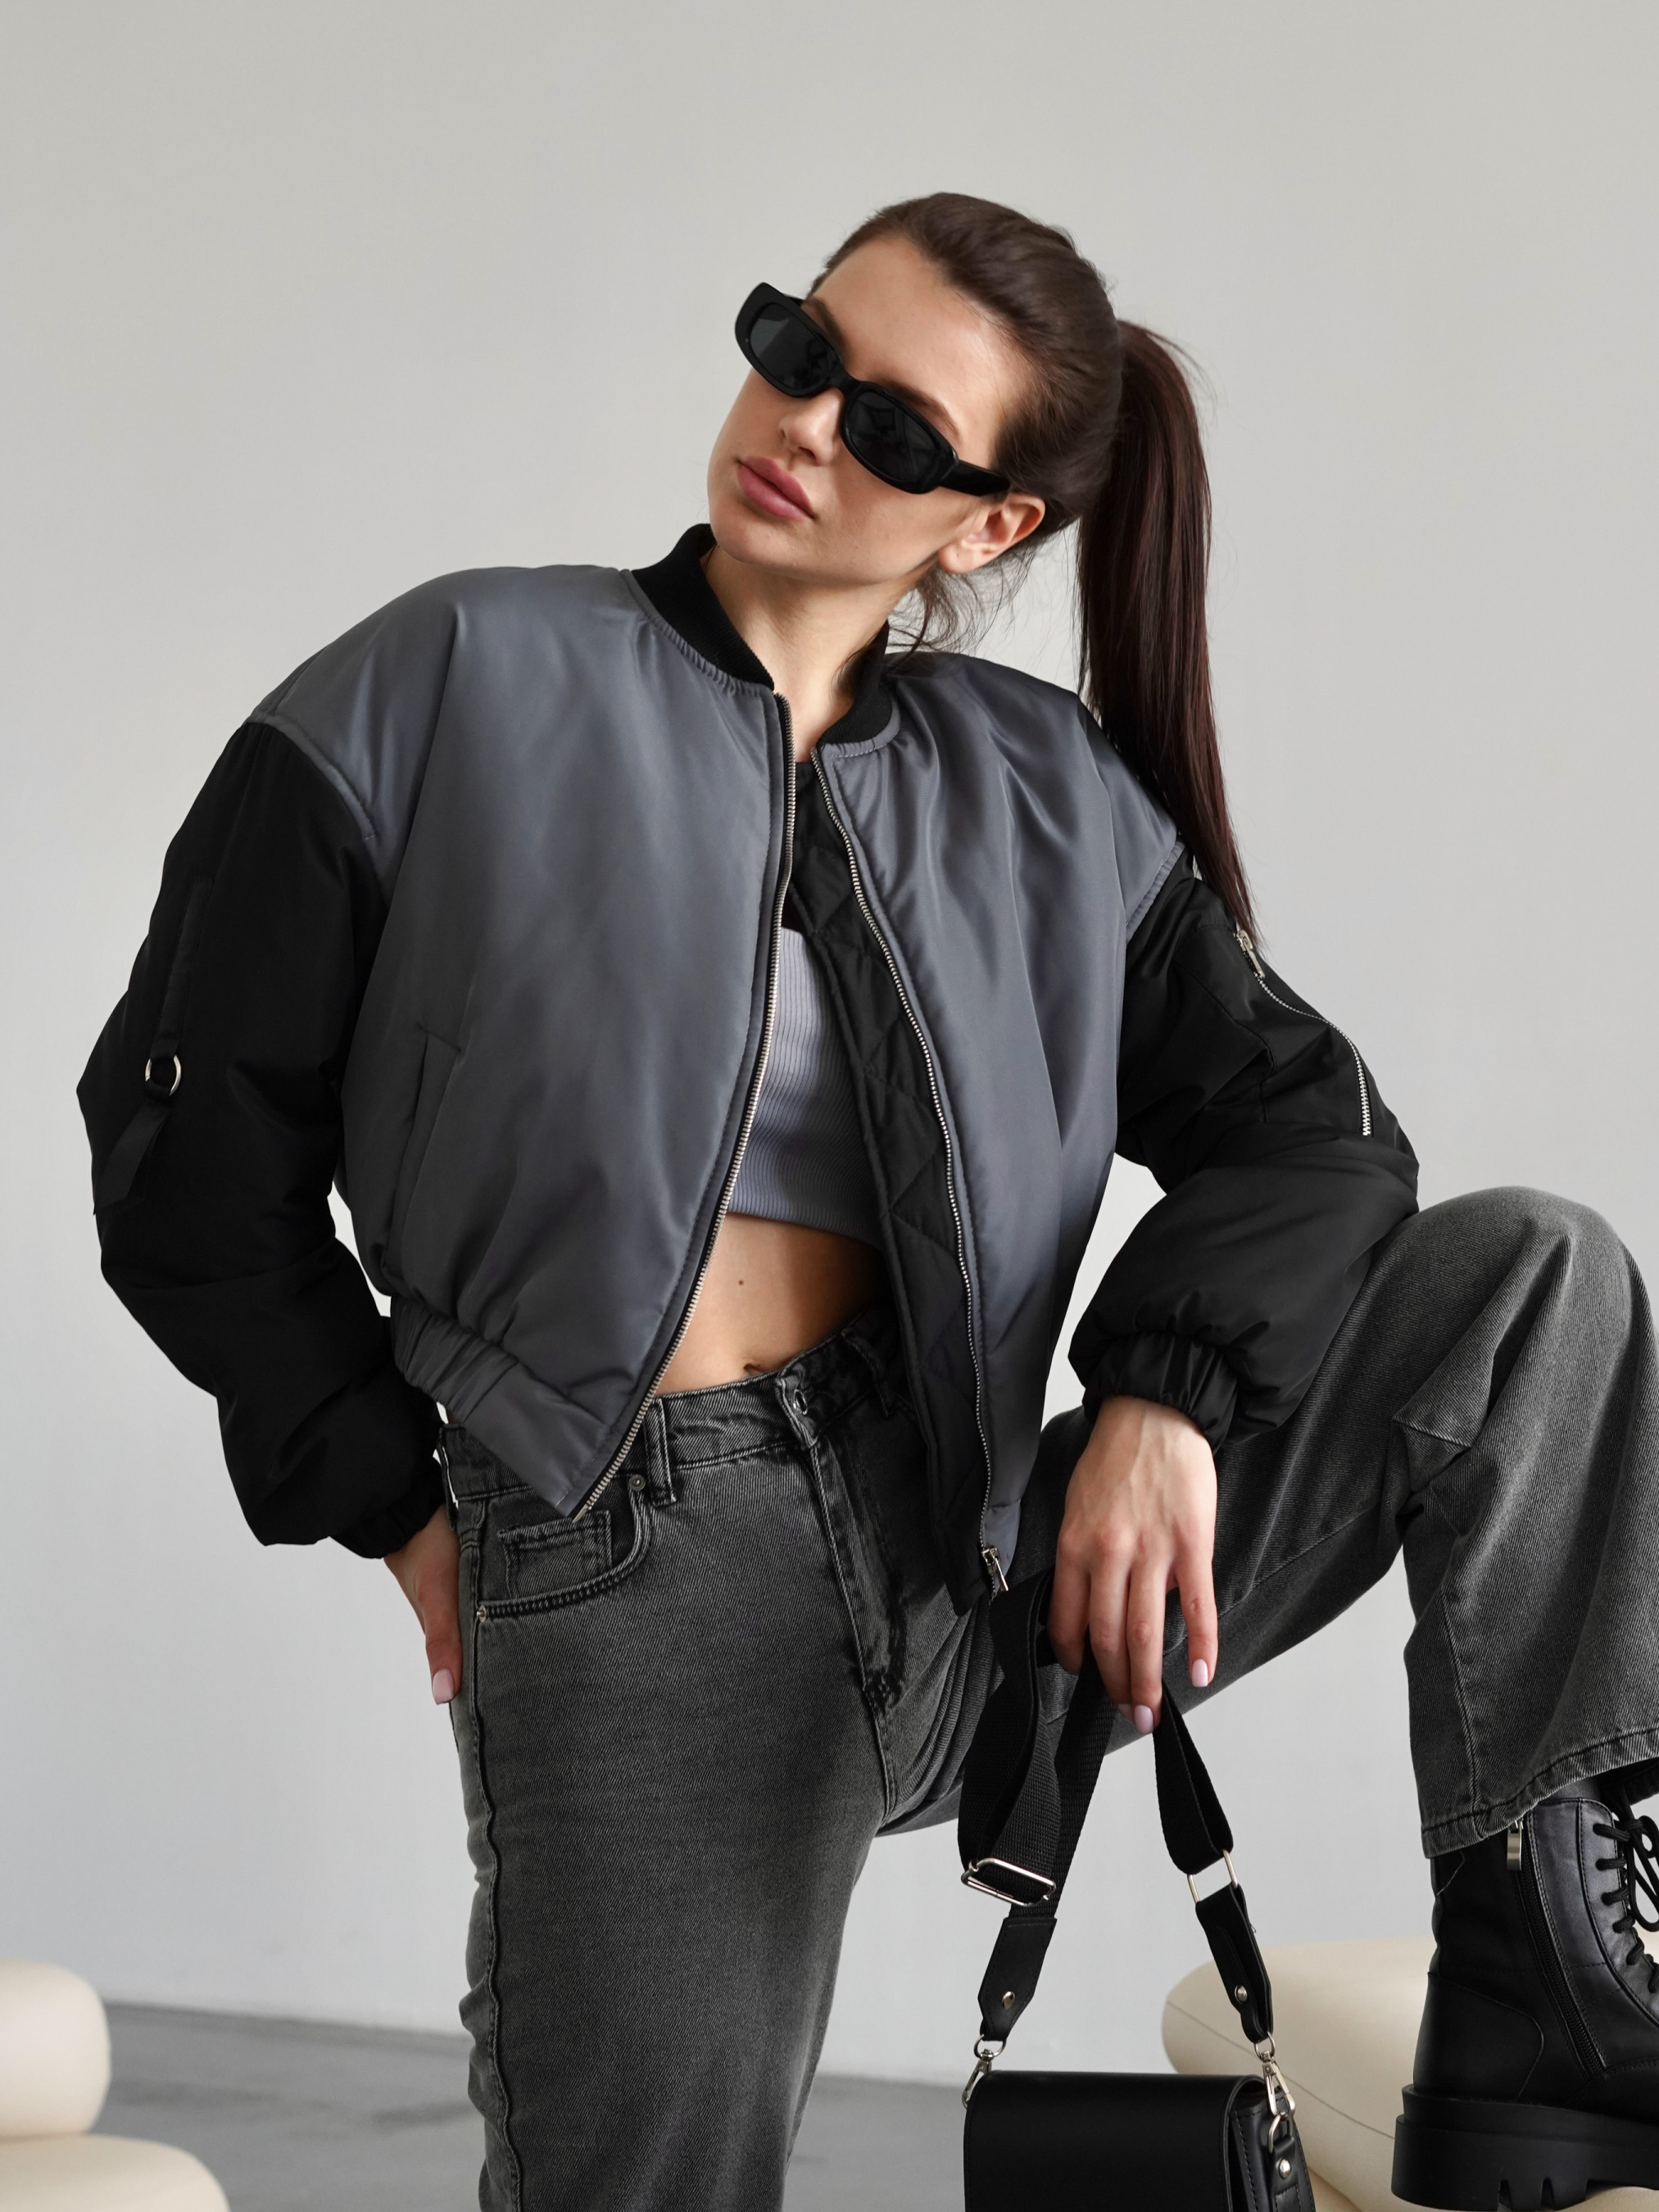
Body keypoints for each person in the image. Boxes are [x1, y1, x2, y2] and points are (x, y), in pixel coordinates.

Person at [78, 193, 1659, 2212]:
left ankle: (1554, 2010)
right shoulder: (449, 676)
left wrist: (1160, 1399)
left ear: (986, 527)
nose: (806, 424)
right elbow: (181, 1149)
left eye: (897, 430)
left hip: (982, 1561)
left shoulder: (1041, 786)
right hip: (640, 1563)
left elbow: (1311, 1130)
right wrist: (390, 1494)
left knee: (1527, 1286)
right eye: (799, 348)